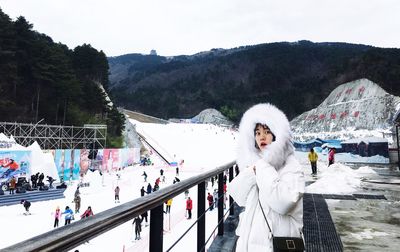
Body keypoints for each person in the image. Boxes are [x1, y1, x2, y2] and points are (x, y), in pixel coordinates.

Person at [229, 103, 305, 251]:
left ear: (277, 135)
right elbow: (237, 195)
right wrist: (253, 170)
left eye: (267, 132)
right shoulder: (255, 165)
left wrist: (262, 167)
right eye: (257, 133)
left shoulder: (291, 165)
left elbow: (284, 202)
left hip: (276, 245)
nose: (261, 137)